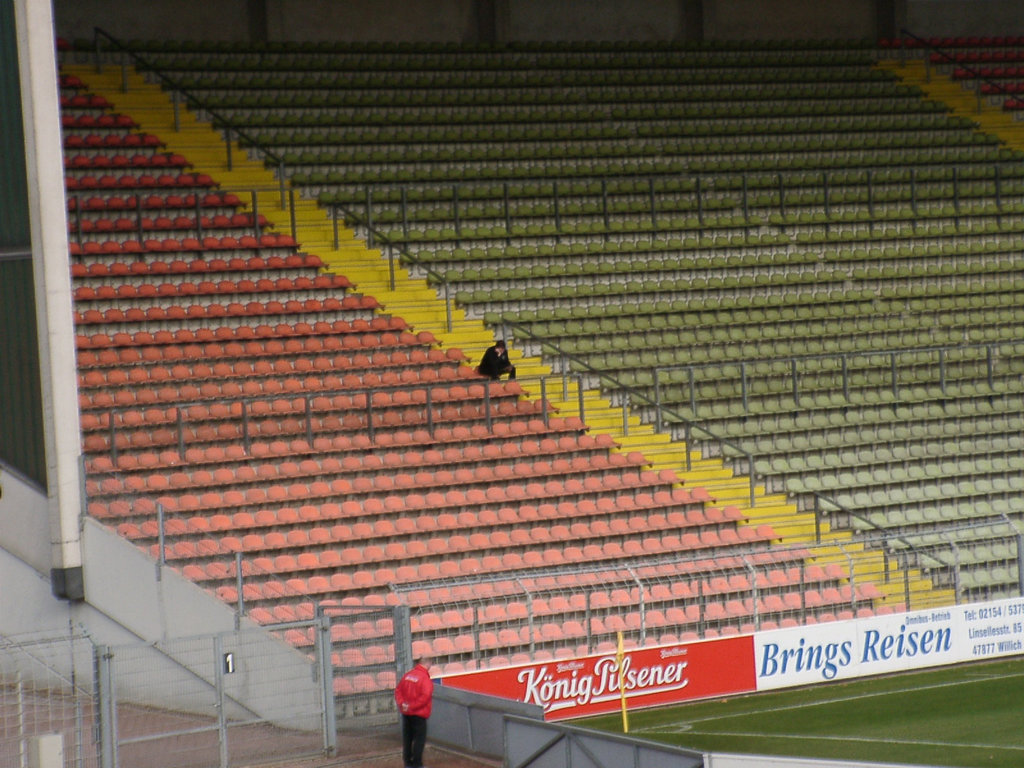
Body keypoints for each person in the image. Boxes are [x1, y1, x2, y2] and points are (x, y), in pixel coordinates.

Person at [394, 656, 433, 768]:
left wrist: (403, 705)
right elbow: (425, 697)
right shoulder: (425, 678)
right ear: (428, 664)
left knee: (407, 738)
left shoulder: (407, 676)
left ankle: (407, 763)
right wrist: (412, 706)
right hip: (418, 714)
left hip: (406, 713)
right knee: (419, 740)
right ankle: (417, 764)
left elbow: (398, 691)